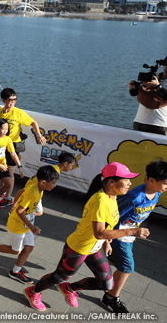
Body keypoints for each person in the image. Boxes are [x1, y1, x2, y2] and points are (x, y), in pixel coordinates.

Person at [23, 162, 150, 312]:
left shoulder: (113, 197)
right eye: (126, 179)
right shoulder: (100, 201)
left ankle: (69, 288)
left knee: (107, 283)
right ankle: (32, 292)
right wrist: (132, 231)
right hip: (79, 247)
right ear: (111, 182)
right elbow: (100, 232)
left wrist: (107, 242)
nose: (130, 183)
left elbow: (107, 226)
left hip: (94, 248)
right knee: (59, 276)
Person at [101, 160, 167, 313]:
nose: (166, 187)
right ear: (151, 180)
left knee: (118, 263)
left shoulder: (156, 193)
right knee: (127, 267)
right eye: (165, 184)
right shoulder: (134, 197)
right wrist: (106, 240)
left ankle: (99, 259)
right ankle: (111, 297)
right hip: (119, 235)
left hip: (130, 235)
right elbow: (111, 216)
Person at [0, 165, 60, 283]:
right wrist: (32, 227)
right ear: (43, 182)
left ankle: (15, 272)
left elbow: (21, 192)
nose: (54, 186)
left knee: (29, 248)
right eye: (53, 183)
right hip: (17, 225)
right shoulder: (33, 192)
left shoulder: (36, 185)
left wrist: (14, 205)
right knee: (16, 250)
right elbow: (20, 211)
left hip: (26, 224)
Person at [0, 88, 46, 205]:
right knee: (3, 171)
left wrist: (39, 135)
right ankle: (1, 192)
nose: (13, 102)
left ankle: (8, 197)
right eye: (10, 100)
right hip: (0, 146)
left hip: (13, 146)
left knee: (10, 173)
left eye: (15, 99)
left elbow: (33, 122)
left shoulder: (17, 112)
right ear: (3, 100)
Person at [129, 64, 167, 135]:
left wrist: (158, 86)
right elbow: (135, 93)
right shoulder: (153, 77)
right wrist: (133, 88)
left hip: (161, 124)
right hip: (140, 122)